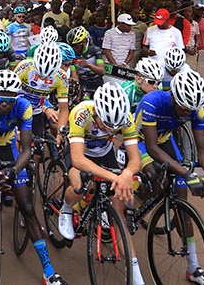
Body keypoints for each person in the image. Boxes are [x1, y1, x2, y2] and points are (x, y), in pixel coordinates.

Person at [0, 69, 69, 285]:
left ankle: (48, 271)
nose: (4, 105)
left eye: (9, 101)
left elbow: (26, 150)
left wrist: (13, 171)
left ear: (16, 99)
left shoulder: (24, 107)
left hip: (8, 149)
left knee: (27, 208)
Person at [57, 83, 144, 285]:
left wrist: (127, 173)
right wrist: (115, 177)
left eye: (115, 127)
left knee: (119, 211)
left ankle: (136, 276)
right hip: (80, 152)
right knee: (79, 186)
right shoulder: (82, 113)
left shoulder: (125, 118)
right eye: (106, 124)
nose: (111, 129)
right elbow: (78, 159)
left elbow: (135, 160)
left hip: (104, 153)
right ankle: (67, 207)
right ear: (97, 111)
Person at [136, 70, 204, 284]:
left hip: (164, 140)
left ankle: (193, 267)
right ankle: (131, 206)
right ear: (173, 97)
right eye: (182, 107)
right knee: (154, 176)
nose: (185, 113)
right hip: (141, 142)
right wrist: (186, 172)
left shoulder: (195, 110)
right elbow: (151, 148)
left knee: (182, 204)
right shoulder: (152, 101)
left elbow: (203, 149)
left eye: (190, 110)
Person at [67, 26, 105, 100]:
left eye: (75, 46)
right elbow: (75, 76)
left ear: (83, 43)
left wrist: (88, 65)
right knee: (84, 101)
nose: (73, 48)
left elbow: (102, 71)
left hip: (97, 82)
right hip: (83, 84)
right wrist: (77, 93)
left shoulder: (95, 50)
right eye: (71, 46)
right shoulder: (71, 55)